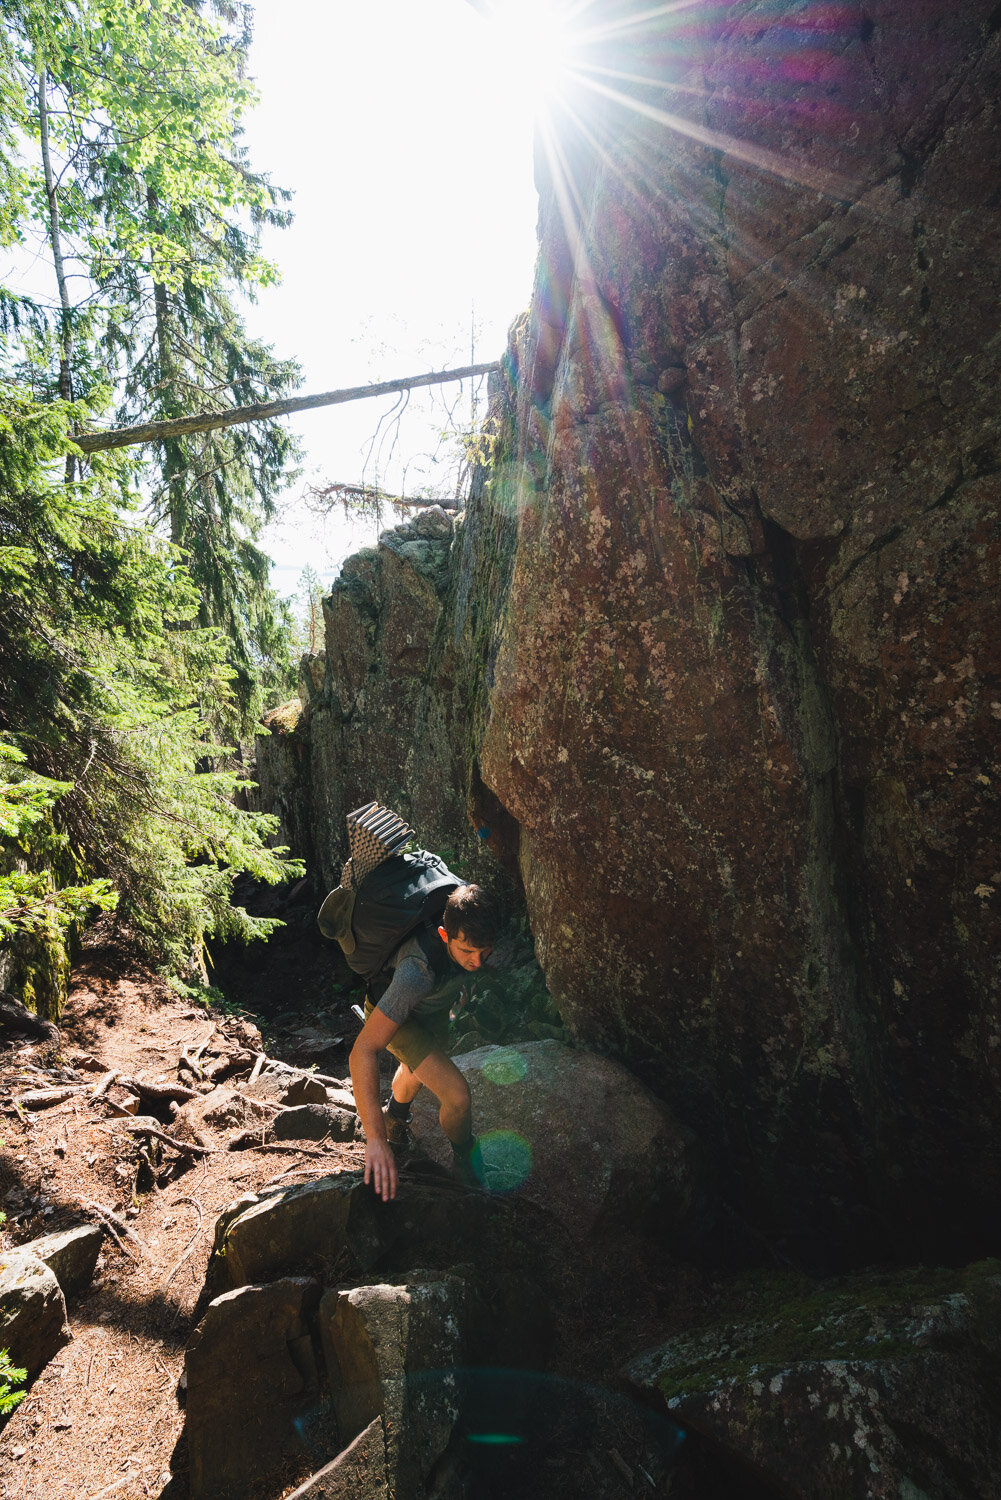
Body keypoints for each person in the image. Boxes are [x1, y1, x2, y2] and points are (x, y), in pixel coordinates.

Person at [349, 883, 499, 1202]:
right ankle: (465, 1161)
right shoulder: (416, 973)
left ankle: (396, 1117)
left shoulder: (468, 934)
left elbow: (469, 959)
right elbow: (362, 1050)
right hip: (395, 1014)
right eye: (467, 952)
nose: (477, 962)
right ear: (444, 936)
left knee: (417, 1068)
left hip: (430, 1008)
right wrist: (374, 1139)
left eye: (484, 951)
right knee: (457, 1097)